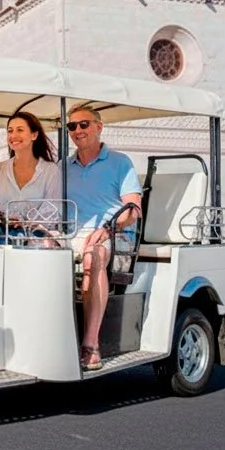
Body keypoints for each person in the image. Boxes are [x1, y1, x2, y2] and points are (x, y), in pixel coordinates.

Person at [65, 105, 142, 371]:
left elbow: (134, 209)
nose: (77, 130)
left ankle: (91, 344)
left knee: (92, 254)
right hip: (72, 234)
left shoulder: (120, 162)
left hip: (115, 236)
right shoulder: (64, 167)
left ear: (99, 127)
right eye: (72, 126)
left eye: (83, 124)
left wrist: (107, 229)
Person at [0, 111, 61, 243]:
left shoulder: (50, 170)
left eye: (20, 130)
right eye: (10, 131)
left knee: (22, 235)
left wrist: (24, 223)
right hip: (0, 232)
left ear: (34, 135)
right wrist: (5, 220)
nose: (13, 135)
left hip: (34, 234)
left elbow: (51, 211)